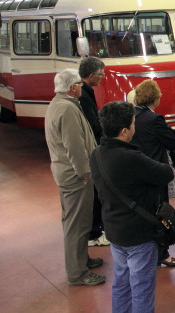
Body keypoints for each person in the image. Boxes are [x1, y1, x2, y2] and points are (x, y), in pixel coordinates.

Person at [91, 101, 174, 312]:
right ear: (125, 131)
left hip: (114, 228)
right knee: (142, 288)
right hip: (139, 233)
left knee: (121, 281)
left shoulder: (96, 154)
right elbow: (166, 173)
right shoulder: (132, 158)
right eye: (133, 124)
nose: (135, 127)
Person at [44, 69, 105, 286]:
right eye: (79, 84)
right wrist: (85, 174)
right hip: (75, 177)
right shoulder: (67, 109)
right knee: (77, 225)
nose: (82, 86)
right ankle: (77, 273)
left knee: (78, 222)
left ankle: (82, 260)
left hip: (66, 173)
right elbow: (75, 147)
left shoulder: (58, 104)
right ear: (72, 88)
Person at [131, 80, 175, 268]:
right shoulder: (155, 119)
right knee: (161, 214)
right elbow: (172, 141)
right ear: (155, 98)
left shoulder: (133, 116)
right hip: (155, 170)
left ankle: (148, 250)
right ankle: (163, 254)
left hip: (137, 171)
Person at [78, 57, 109, 248]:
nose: (102, 78)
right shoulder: (83, 94)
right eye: (101, 74)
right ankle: (94, 233)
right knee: (96, 193)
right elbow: (92, 124)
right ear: (91, 75)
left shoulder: (85, 92)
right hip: (92, 151)